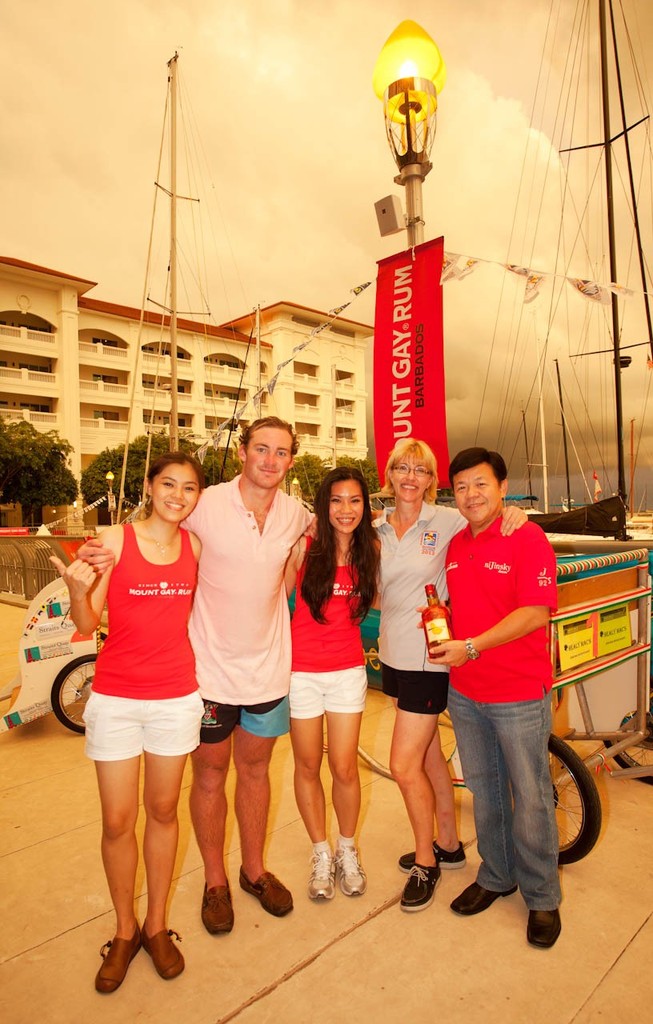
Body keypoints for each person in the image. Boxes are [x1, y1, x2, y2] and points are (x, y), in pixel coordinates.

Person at [78, 419, 312, 934]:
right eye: (261, 449)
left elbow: (348, 526)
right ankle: (214, 882)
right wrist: (103, 554)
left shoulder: (297, 513)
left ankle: (253, 871)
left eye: (281, 452)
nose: (270, 460)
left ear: (291, 460)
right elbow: (157, 532)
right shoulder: (205, 502)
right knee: (209, 775)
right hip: (206, 672)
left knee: (255, 773)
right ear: (244, 453)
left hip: (269, 672)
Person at [51, 452, 205, 993]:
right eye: (168, 484)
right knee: (118, 820)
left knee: (162, 811)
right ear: (148, 486)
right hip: (115, 696)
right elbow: (88, 620)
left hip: (175, 697)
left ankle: (157, 924)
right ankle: (124, 930)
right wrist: (76, 588)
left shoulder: (196, 546)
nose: (178, 495)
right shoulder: (114, 541)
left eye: (189, 488)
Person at [373, 438, 525, 913]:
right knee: (430, 755)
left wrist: (517, 515)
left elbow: (492, 518)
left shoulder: (448, 518)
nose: (411, 477)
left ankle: (426, 862)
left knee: (403, 765)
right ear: (391, 474)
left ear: (431, 478)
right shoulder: (376, 528)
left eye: (421, 469)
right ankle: (449, 843)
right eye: (403, 468)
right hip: (394, 654)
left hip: (430, 656)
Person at [431, 446, 561, 949]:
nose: (471, 495)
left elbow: (535, 614)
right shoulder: (457, 545)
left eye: (481, 484)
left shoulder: (526, 537)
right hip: (466, 693)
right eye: (461, 486)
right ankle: (496, 874)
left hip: (519, 694)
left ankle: (543, 896)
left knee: (530, 799)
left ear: (503, 487)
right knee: (485, 791)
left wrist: (470, 647)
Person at [285, 467, 380, 901]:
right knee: (307, 766)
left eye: (355, 500)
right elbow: (271, 592)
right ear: (324, 506)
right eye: (337, 501)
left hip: (346, 672)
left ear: (365, 505)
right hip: (301, 672)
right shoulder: (304, 547)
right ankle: (320, 852)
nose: (346, 510)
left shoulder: (372, 548)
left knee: (343, 767)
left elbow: (381, 601)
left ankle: (346, 849)